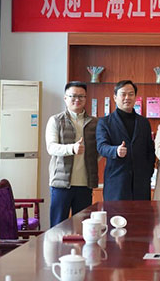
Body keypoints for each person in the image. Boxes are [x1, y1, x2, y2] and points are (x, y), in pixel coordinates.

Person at [46, 81, 98, 227]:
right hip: (61, 184)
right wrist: (72, 149)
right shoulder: (56, 120)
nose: (77, 99)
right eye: (73, 96)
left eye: (81, 96)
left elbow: (98, 151)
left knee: (83, 227)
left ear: (86, 98)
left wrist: (91, 161)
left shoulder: (94, 123)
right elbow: (51, 147)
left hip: (85, 184)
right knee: (57, 226)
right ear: (65, 98)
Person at [96, 80, 155, 201]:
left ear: (135, 97)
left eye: (131, 94)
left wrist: (148, 172)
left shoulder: (144, 122)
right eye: (123, 94)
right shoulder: (105, 122)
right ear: (115, 97)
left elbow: (150, 150)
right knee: (116, 214)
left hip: (141, 184)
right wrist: (115, 151)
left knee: (142, 213)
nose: (127, 98)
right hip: (117, 183)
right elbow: (101, 147)